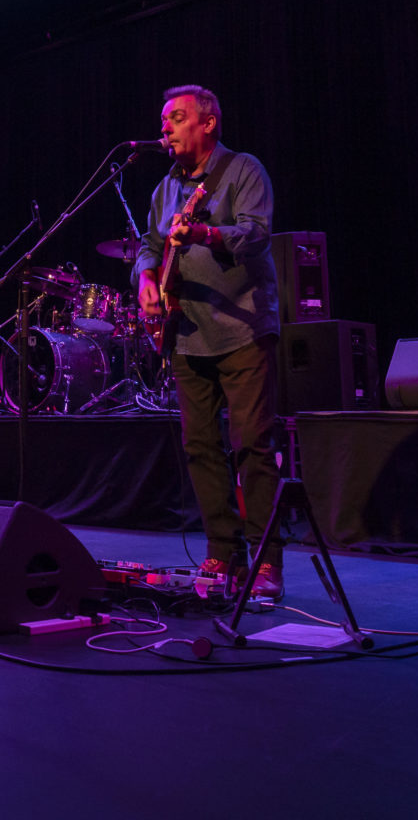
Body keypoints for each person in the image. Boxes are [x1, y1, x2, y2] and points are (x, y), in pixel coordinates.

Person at [133, 85, 283, 599]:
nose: (165, 128)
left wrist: (203, 235)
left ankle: (266, 562)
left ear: (208, 123)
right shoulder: (165, 188)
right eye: (163, 120)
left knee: (252, 446)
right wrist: (145, 278)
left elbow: (257, 234)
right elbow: (148, 245)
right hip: (186, 332)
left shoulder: (243, 169)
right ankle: (223, 553)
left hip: (242, 328)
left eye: (176, 118)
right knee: (200, 448)